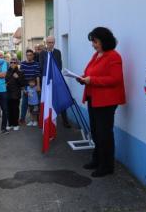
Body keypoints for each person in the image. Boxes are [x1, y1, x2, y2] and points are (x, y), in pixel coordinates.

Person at [77, 27, 126, 178]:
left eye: (95, 41)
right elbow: (90, 73)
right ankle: (97, 159)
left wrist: (91, 80)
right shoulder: (97, 55)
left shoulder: (114, 56)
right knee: (96, 132)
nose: (93, 44)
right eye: (93, 41)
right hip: (94, 98)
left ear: (104, 41)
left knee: (104, 134)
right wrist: (83, 78)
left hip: (106, 101)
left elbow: (115, 79)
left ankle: (107, 166)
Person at [39, 36, 71, 128]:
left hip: (56, 81)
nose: (50, 44)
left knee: (61, 99)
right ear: (46, 43)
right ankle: (45, 121)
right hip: (47, 82)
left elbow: (59, 66)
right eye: (49, 42)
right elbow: (41, 67)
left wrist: (55, 73)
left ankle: (65, 121)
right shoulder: (42, 53)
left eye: (52, 42)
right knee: (47, 101)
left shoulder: (57, 52)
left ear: (54, 43)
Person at [19, 49, 41, 124]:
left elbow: (38, 75)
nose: (29, 56)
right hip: (26, 86)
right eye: (27, 55)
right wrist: (22, 88)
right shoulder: (23, 64)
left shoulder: (36, 64)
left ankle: (37, 119)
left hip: (34, 87)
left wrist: (38, 86)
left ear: (33, 55)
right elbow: (21, 77)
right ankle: (22, 119)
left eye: (30, 55)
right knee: (24, 103)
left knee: (36, 103)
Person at [5, 57, 26, 130]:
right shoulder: (7, 71)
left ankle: (16, 124)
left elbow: (23, 84)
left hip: (16, 94)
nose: (13, 64)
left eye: (14, 62)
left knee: (15, 109)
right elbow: (5, 81)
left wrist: (18, 78)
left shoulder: (20, 72)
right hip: (8, 93)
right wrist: (5, 84)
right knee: (8, 109)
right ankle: (10, 124)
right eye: (11, 62)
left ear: (17, 64)